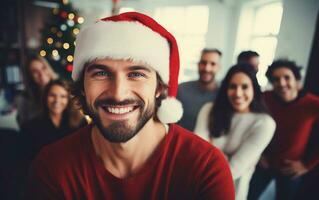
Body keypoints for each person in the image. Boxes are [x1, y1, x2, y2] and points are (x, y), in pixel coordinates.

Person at [26, 12, 235, 200]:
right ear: (82, 86)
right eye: (101, 73)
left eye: (136, 74)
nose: (118, 93)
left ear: (159, 88)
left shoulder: (206, 168)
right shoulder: (52, 167)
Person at [194, 63, 275, 200]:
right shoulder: (209, 110)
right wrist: (224, 158)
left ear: (254, 89)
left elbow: (234, 169)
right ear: (225, 89)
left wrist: (212, 149)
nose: (238, 93)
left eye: (244, 87)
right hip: (196, 185)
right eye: (232, 86)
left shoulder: (264, 123)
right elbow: (196, 151)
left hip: (232, 192)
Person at [248, 59, 319, 200]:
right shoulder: (265, 98)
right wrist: (257, 154)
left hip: (291, 169)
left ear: (297, 79)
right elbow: (250, 124)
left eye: (287, 77)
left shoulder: (313, 103)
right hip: (264, 163)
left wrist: (307, 165)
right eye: (276, 79)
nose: (281, 83)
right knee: (248, 196)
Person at [21, 79, 87, 160]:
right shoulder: (30, 127)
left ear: (68, 100)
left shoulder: (81, 122)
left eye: (63, 96)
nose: (57, 100)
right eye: (52, 95)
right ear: (45, 97)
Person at [177, 48, 222, 131]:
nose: (207, 68)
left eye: (213, 64)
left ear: (219, 67)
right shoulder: (181, 89)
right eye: (203, 63)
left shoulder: (224, 94)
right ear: (198, 65)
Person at [15, 55, 58, 126]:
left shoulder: (62, 89)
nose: (41, 74)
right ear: (29, 76)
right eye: (35, 71)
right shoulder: (25, 99)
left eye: (43, 68)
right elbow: (24, 126)